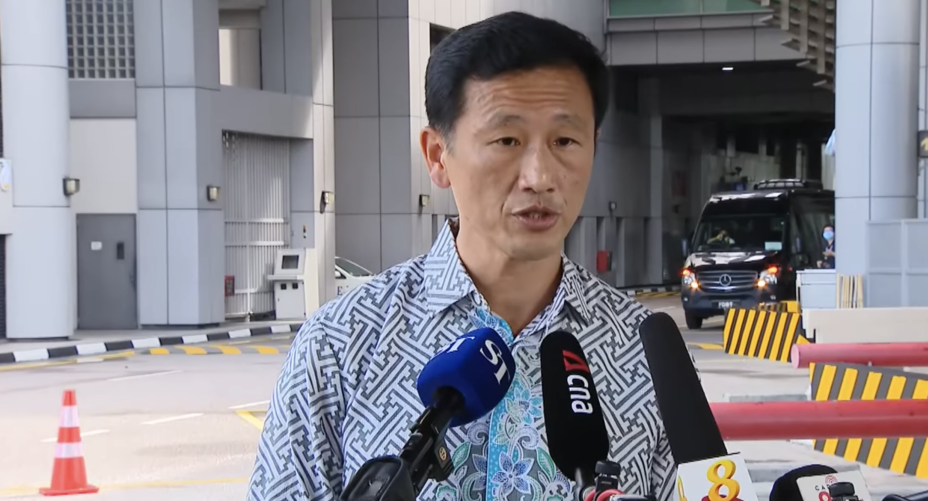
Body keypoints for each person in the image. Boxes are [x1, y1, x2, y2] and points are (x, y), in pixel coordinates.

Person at [247, 11, 680, 501]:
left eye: (564, 141)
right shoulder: (342, 343)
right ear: (437, 156)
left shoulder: (646, 353)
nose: (540, 175)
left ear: (593, 148)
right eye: (506, 141)